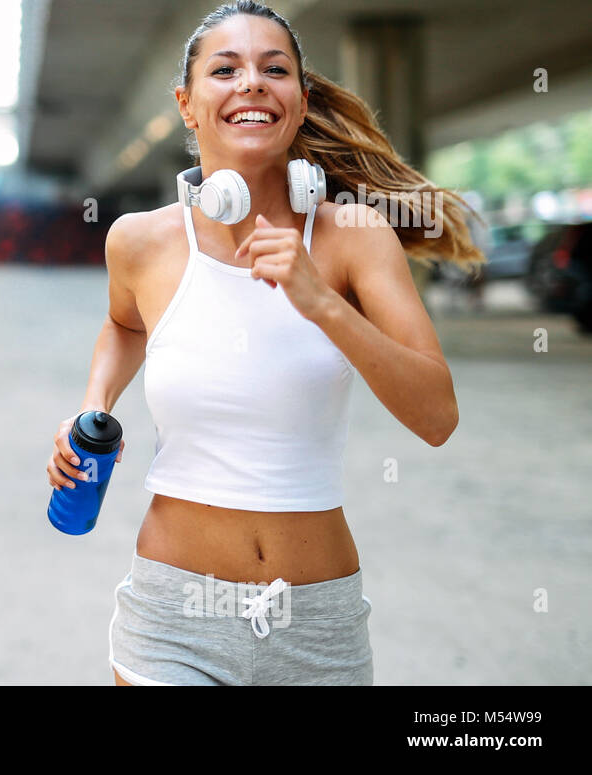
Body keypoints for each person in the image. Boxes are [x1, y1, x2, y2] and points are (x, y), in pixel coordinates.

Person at [46, 0, 485, 686]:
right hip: (172, 621)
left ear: (301, 101)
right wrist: (93, 403)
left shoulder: (355, 237)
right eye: (225, 69)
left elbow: (437, 416)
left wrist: (323, 305)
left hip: (316, 624)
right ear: (187, 105)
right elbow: (126, 323)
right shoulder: (139, 240)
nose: (251, 81)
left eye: (273, 69)